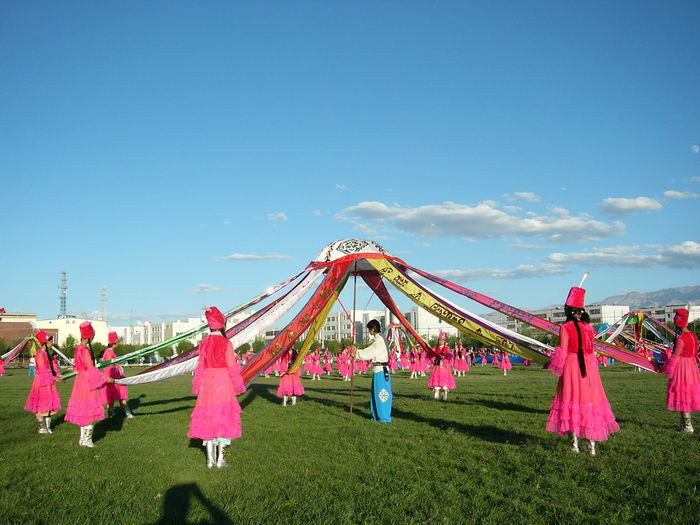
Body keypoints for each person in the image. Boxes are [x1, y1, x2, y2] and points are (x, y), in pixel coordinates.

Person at [546, 283, 619, 455]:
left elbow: (563, 351)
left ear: (569, 310)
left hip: (572, 367)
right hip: (589, 367)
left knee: (571, 403)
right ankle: (591, 445)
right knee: (589, 402)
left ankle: (574, 444)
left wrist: (552, 364)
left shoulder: (565, 327)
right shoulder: (589, 328)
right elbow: (590, 348)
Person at [188, 306, 245, 468]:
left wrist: (199, 386)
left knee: (209, 419)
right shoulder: (226, 343)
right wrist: (237, 386)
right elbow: (233, 368)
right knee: (224, 419)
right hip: (223, 383)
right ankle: (221, 460)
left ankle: (209, 460)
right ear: (222, 324)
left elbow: (200, 368)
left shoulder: (204, 344)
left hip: (207, 385)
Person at [65, 322, 112, 447]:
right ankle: (87, 439)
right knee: (90, 410)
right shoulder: (85, 350)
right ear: (89, 336)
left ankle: (82, 439)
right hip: (87, 381)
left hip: (80, 381)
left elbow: (77, 367)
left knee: (83, 410)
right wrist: (105, 377)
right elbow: (91, 369)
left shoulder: (78, 349)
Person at [664, 308, 700, 432]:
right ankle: (684, 424)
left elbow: (676, 356)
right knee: (687, 393)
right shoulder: (693, 336)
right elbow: (695, 354)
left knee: (682, 394)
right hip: (692, 367)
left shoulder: (681, 339)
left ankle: (687, 425)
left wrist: (668, 369)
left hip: (682, 368)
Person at [350, 319, 392, 423]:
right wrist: (358, 352)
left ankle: (383, 417)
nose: (369, 331)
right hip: (378, 370)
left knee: (382, 394)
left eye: (369, 329)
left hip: (381, 371)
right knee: (375, 394)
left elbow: (370, 352)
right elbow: (370, 350)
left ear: (373, 329)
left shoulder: (379, 341)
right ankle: (376, 416)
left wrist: (357, 353)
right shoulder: (379, 339)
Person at [24, 330, 62, 434]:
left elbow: (50, 368)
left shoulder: (46, 354)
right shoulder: (40, 354)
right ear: (45, 342)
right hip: (41, 382)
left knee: (48, 403)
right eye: (49, 340)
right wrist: (54, 378)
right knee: (40, 403)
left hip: (48, 381)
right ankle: (42, 427)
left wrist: (56, 376)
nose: (51, 342)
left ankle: (47, 427)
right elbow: (42, 370)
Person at [101, 332, 134, 418]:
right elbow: (109, 368)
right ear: (114, 342)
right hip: (112, 379)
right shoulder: (109, 353)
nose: (118, 343)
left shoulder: (109, 351)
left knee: (112, 399)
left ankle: (111, 415)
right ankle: (128, 414)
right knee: (119, 398)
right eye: (117, 341)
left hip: (114, 378)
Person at [428, 332, 456, 400]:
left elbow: (450, 355)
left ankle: (445, 397)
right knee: (436, 382)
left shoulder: (446, 348)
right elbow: (431, 354)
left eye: (442, 340)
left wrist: (444, 356)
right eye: (440, 340)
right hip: (437, 367)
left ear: (444, 341)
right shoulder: (435, 348)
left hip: (444, 367)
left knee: (444, 384)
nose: (441, 341)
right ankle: (436, 397)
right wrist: (433, 358)